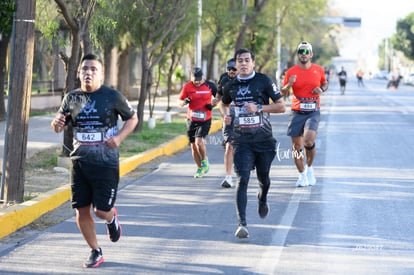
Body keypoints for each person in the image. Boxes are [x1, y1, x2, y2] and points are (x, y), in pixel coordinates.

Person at [50, 54, 138, 268]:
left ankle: (110, 218)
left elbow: (132, 118)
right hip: (79, 162)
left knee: (100, 211)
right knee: (81, 209)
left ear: (101, 74)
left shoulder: (111, 96)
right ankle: (95, 251)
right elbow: (58, 126)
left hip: (106, 162)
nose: (88, 73)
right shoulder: (71, 98)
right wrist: (56, 124)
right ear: (79, 73)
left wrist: (118, 138)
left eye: (93, 69)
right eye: (84, 69)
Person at [221, 48, 286, 238]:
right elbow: (224, 104)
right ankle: (242, 224)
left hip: (264, 140)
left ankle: (263, 196)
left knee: (263, 178)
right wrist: (226, 116)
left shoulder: (263, 81)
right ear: (236, 64)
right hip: (242, 141)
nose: (243, 63)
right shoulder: (230, 85)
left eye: (247, 60)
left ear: (253, 63)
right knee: (242, 179)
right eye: (239, 60)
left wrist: (258, 107)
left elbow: (281, 106)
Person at [281, 41, 328, 188]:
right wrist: (289, 84)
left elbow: (325, 84)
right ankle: (302, 175)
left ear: (311, 54)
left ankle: (309, 168)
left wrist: (321, 89)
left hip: (313, 110)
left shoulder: (318, 69)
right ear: (298, 54)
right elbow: (283, 92)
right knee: (296, 146)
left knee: (308, 141)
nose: (303, 54)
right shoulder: (291, 72)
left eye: (306, 52)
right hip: (297, 111)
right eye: (301, 51)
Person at [178, 67, 218, 178]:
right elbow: (179, 101)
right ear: (191, 77)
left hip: (205, 119)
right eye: (195, 79)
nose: (197, 82)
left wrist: (213, 105)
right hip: (191, 120)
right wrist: (184, 102)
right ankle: (200, 168)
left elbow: (219, 97)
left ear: (203, 77)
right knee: (193, 146)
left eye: (199, 79)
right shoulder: (187, 87)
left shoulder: (210, 86)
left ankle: (204, 161)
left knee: (199, 142)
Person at [213, 58, 238, 188]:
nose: (231, 72)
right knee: (229, 145)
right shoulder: (224, 79)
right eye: (229, 69)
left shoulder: (248, 80)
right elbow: (219, 98)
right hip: (229, 117)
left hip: (245, 119)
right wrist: (224, 113)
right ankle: (228, 177)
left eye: (234, 69)